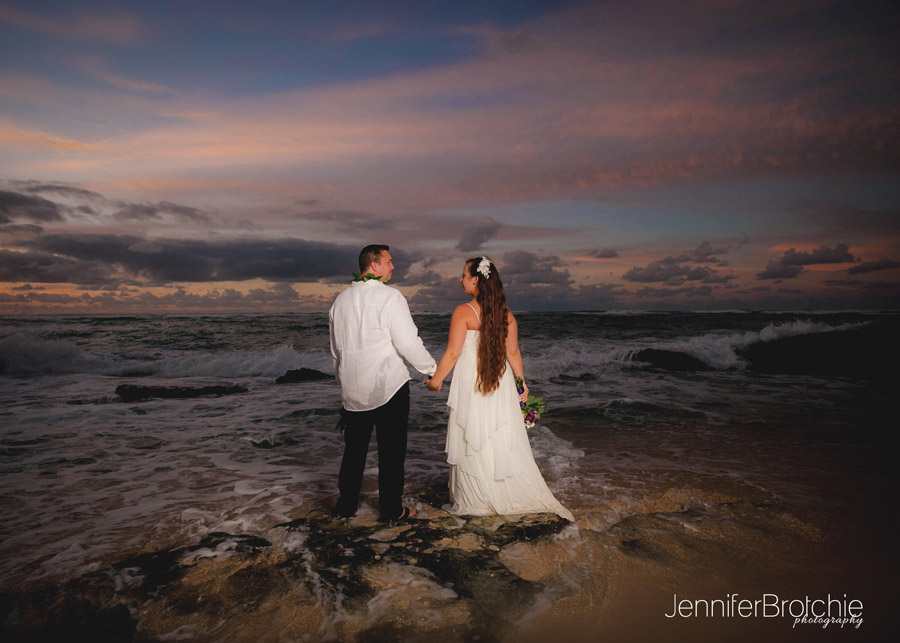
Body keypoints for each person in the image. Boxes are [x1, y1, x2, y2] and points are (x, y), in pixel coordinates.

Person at [425, 257, 574, 521]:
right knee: (498, 433)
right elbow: (513, 351)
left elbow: (452, 353)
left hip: (473, 382)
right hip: (499, 381)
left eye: (463, 275)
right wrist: (521, 381)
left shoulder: (463, 311)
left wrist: (436, 380)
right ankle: (501, 489)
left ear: (476, 280)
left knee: (474, 433)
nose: (460, 279)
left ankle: (476, 496)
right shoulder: (506, 314)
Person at [329, 244, 437, 522]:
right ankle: (391, 511)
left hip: (353, 390)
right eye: (389, 262)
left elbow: (336, 351)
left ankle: (346, 507)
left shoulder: (339, 301)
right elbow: (408, 342)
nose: (393, 267)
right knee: (391, 453)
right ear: (373, 266)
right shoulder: (391, 297)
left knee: (354, 452)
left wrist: (344, 384)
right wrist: (432, 369)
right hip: (388, 388)